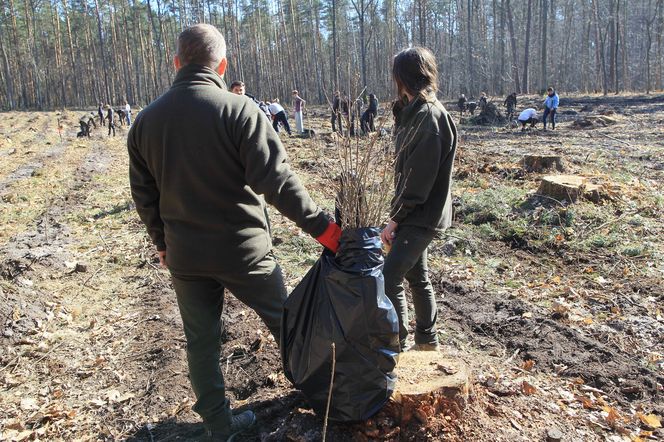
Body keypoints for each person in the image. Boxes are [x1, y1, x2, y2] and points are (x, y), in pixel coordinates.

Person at [128, 24, 341, 441]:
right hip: (245, 254)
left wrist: (162, 243)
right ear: (222, 65)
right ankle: (332, 399)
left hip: (186, 257)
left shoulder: (144, 122)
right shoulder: (240, 111)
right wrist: (325, 231)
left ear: (176, 63)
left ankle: (219, 426)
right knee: (290, 325)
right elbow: (277, 182)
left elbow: (144, 197)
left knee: (201, 344)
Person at [380, 47, 457, 353]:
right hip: (415, 212)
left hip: (421, 215)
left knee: (389, 278)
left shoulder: (429, 118)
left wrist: (395, 218)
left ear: (403, 77)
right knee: (417, 277)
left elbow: (418, 181)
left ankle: (397, 346)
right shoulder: (414, 111)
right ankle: (427, 342)